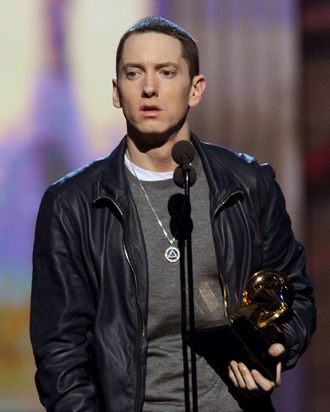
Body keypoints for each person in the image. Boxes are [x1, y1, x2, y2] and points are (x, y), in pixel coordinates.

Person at [30, 16, 316, 412]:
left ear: (195, 89)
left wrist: (275, 348)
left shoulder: (248, 185)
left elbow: (294, 293)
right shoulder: (72, 205)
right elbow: (60, 351)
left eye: (166, 72)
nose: (149, 87)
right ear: (117, 92)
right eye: (134, 73)